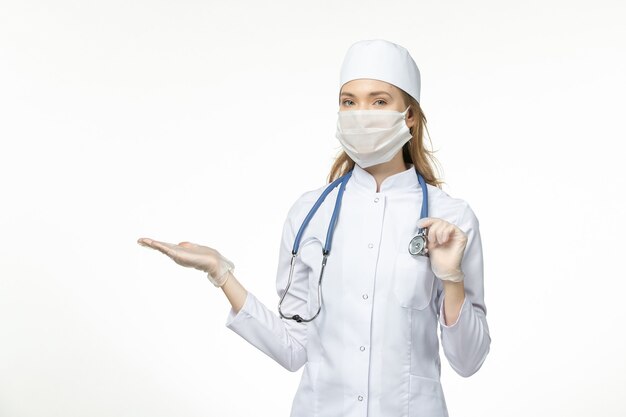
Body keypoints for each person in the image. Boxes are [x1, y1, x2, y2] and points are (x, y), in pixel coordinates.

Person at [137, 39, 491, 417]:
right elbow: (293, 348)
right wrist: (221, 273)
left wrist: (452, 280)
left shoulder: (450, 219)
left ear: (409, 116)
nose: (361, 113)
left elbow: (468, 361)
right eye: (349, 101)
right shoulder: (311, 213)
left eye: (379, 101)